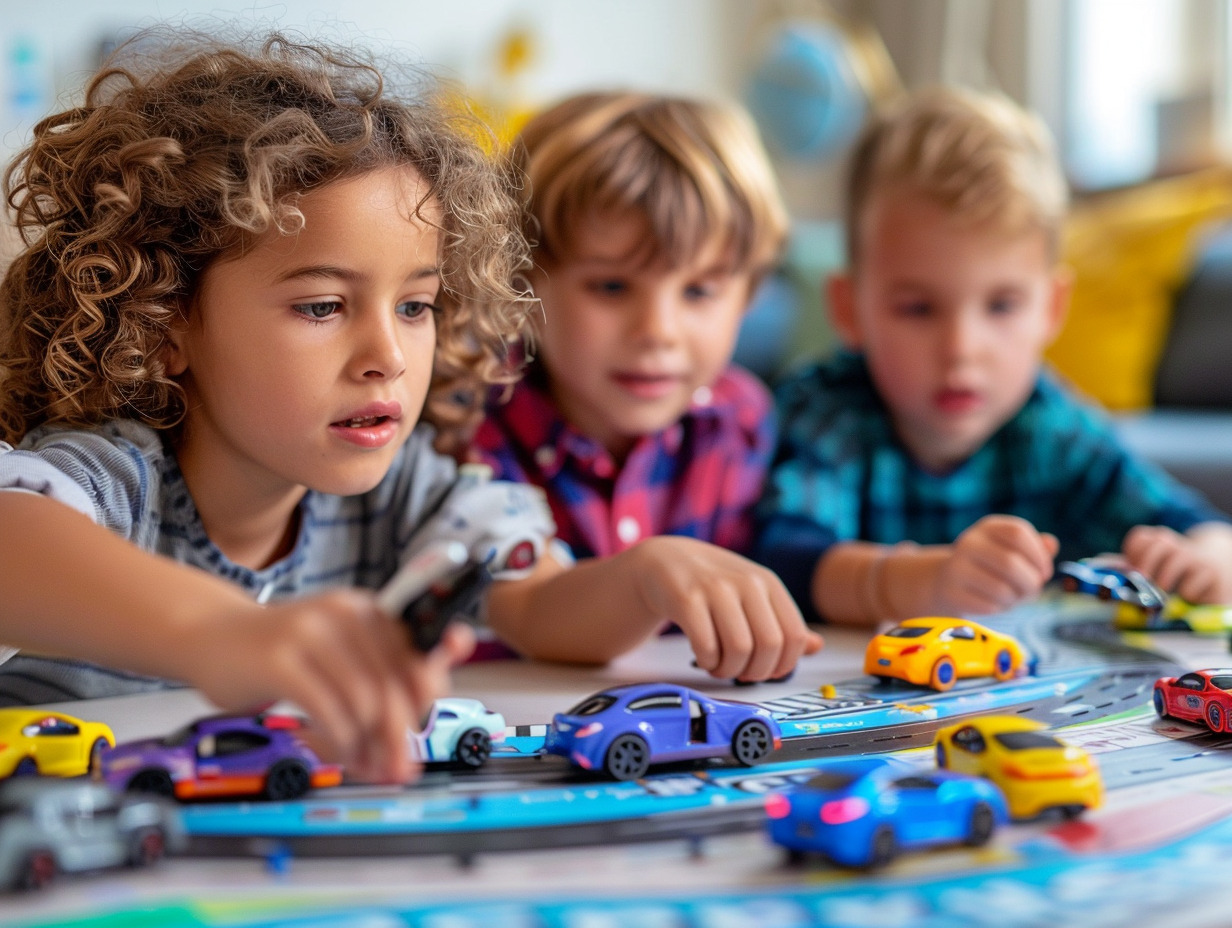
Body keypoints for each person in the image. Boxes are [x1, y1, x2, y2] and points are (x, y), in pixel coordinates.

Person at [0, 37, 816, 780]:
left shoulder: (411, 497)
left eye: (416, 306)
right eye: (322, 307)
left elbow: (538, 610)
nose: (387, 355)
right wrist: (225, 636)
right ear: (167, 320)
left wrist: (644, 578)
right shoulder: (117, 478)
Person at [755, 86, 1232, 627]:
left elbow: (1193, 522)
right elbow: (783, 563)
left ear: (1051, 309)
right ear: (850, 310)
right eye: (917, 308)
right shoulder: (826, 415)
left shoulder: (1049, 427)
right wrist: (925, 582)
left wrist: (1206, 558)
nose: (961, 348)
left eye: (1002, 306)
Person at [470, 91, 823, 674]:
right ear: (524, 284)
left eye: (699, 291)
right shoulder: (478, 422)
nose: (657, 332)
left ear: (749, 295)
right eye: (611, 288)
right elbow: (529, 609)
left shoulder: (742, 420)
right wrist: (650, 572)